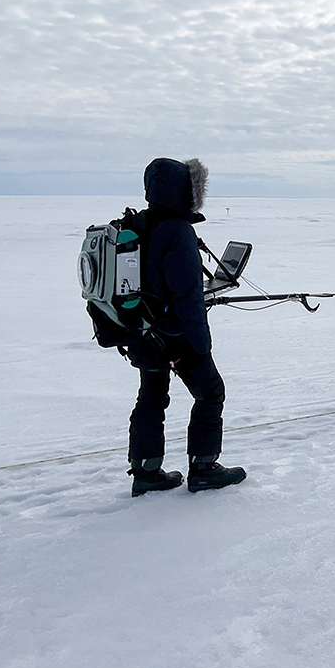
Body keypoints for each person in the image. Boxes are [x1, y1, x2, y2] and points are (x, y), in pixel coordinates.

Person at [125, 157, 247, 497]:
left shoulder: (138, 224)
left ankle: (146, 472)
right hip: (173, 334)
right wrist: (199, 345)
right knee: (211, 391)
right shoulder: (178, 232)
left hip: (139, 328)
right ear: (186, 191)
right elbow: (186, 296)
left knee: (151, 396)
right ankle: (204, 468)